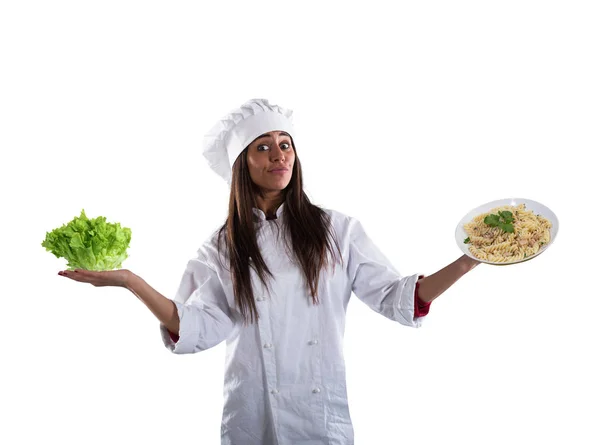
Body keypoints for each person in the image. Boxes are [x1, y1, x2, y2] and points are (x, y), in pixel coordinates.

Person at [59, 98, 480, 445]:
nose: (279, 155)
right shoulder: (221, 246)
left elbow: (396, 297)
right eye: (263, 147)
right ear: (241, 163)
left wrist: (469, 258)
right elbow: (198, 326)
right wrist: (131, 282)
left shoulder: (338, 230)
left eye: (285, 144)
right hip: (252, 418)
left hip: (320, 419)